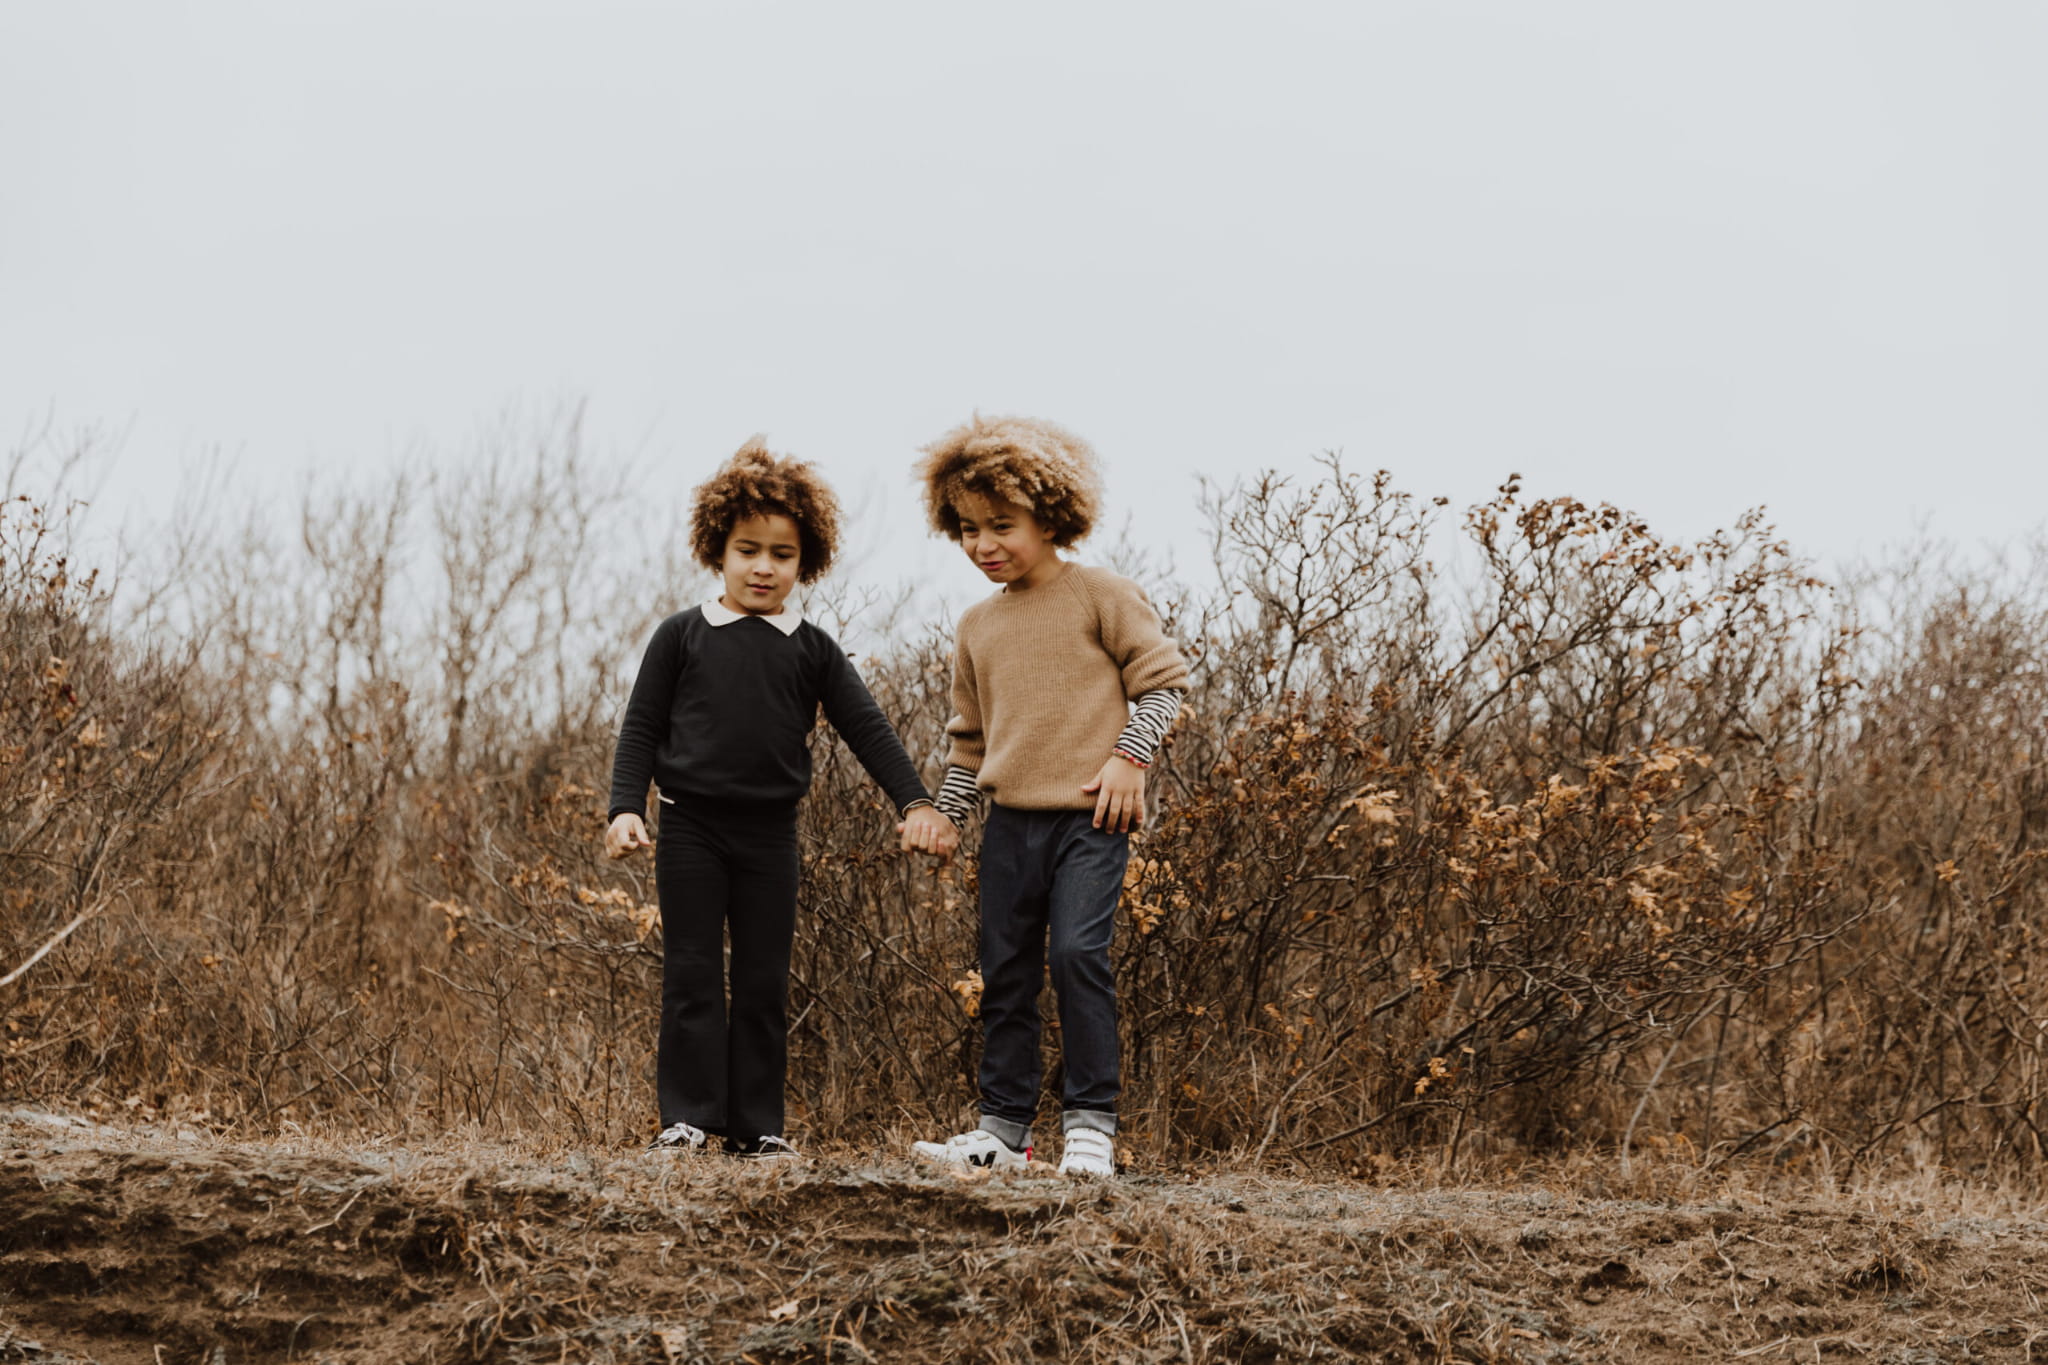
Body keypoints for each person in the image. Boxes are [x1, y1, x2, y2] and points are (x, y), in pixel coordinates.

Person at [606, 438, 958, 1159]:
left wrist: (916, 803)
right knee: (693, 974)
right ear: (717, 549)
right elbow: (641, 725)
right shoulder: (682, 636)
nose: (763, 567)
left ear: (806, 562)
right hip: (690, 828)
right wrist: (625, 808)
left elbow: (867, 728)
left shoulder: (812, 648)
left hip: (771, 837)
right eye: (747, 550)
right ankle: (688, 1118)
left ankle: (757, 1128)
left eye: (782, 554)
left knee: (762, 980)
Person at [908, 415, 1190, 1178]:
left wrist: (1130, 759)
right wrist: (945, 813)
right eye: (968, 529)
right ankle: (1002, 1132)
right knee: (1004, 971)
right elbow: (971, 741)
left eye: (1002, 525)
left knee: (1075, 956)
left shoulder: (1100, 594)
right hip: (1009, 826)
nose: (983, 543)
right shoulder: (976, 625)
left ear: (1051, 515)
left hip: (1092, 818)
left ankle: (1091, 1125)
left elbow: (1164, 685)